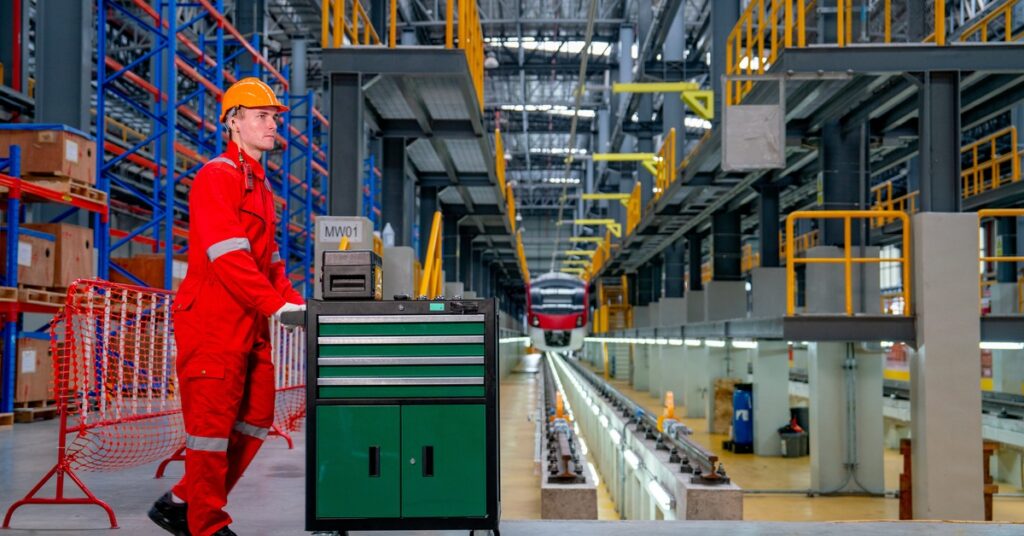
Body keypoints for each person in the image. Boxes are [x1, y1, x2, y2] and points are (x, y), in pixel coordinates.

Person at [148, 77, 305, 536]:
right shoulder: (217, 177)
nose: (272, 123)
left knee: (256, 419)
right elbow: (228, 256)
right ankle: (205, 524)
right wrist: (275, 308)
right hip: (213, 324)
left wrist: (300, 307)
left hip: (249, 324)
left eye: (274, 116)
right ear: (233, 122)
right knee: (210, 432)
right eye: (261, 115)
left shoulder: (261, 187)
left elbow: (270, 263)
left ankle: (182, 502)